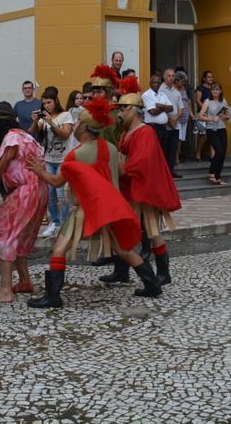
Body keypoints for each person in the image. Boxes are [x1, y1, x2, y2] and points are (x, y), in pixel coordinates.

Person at [25, 96, 160, 308]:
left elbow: (56, 182)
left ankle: (53, 296)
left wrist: (39, 170)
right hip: (111, 209)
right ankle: (152, 284)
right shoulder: (111, 148)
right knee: (124, 249)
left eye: (79, 122)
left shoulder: (75, 155)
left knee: (59, 249)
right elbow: (123, 171)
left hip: (85, 211)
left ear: (86, 128)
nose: (76, 125)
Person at [110, 75, 182, 286]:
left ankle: (162, 272)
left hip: (141, 189)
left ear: (133, 109)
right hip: (129, 187)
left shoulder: (145, 132)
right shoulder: (127, 132)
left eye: (123, 108)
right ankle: (121, 271)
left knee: (151, 230)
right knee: (126, 228)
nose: (120, 112)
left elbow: (140, 162)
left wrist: (119, 169)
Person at [0, 101, 48, 302]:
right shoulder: (26, 136)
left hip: (24, 192)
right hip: (39, 190)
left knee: (3, 236)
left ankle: (5, 290)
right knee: (22, 238)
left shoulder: (11, 138)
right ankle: (24, 282)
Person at [33, 88, 74, 238]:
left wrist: (52, 122)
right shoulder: (44, 117)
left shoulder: (66, 115)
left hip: (63, 159)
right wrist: (36, 120)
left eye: (49, 102)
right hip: (49, 159)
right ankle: (55, 222)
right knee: (50, 194)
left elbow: (65, 135)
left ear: (56, 101)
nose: (47, 106)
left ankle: (64, 223)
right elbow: (34, 133)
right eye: (44, 103)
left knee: (61, 194)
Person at [141, 73, 177, 177]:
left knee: (163, 151)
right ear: (150, 83)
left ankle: (161, 173)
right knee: (153, 152)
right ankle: (153, 174)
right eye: (154, 82)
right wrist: (164, 107)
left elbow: (171, 108)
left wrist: (160, 106)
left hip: (163, 128)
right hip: (152, 128)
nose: (156, 84)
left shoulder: (162, 95)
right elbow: (152, 112)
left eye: (158, 82)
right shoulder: (146, 95)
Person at [197, 82, 230, 185]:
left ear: (220, 91)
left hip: (221, 129)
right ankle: (211, 172)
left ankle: (218, 176)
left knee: (223, 153)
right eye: (213, 89)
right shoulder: (207, 101)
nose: (215, 91)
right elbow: (200, 116)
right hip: (211, 130)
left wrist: (225, 116)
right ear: (211, 91)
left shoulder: (223, 101)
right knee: (219, 151)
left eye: (217, 89)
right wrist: (211, 118)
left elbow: (228, 116)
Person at [159, 68, 185, 175]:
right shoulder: (160, 90)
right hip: (165, 125)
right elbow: (160, 107)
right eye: (169, 76)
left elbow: (181, 108)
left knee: (173, 149)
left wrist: (175, 119)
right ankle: (163, 172)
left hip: (176, 125)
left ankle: (171, 170)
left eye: (173, 76)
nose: (171, 78)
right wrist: (170, 120)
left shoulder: (177, 92)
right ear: (164, 77)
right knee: (164, 149)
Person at [194, 70, 215, 161]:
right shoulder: (200, 88)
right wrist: (205, 109)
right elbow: (197, 100)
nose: (211, 79)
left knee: (212, 134)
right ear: (204, 78)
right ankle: (198, 152)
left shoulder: (214, 88)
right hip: (203, 114)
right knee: (203, 135)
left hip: (212, 114)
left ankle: (212, 155)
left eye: (211, 77)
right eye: (209, 77)